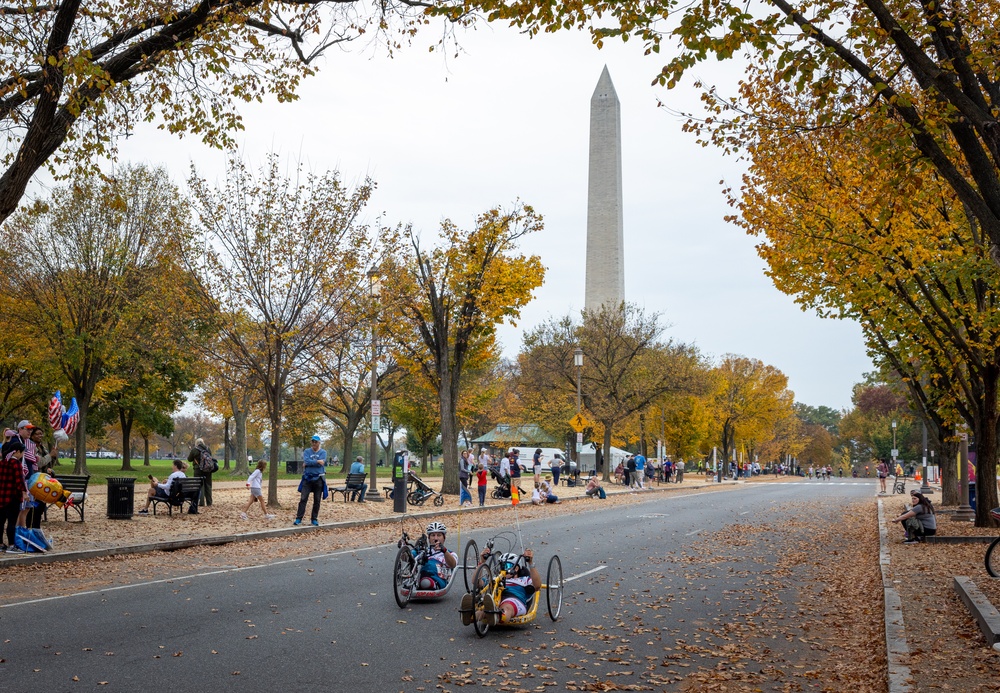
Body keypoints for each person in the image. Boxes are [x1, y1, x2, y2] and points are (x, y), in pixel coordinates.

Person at [462, 548, 542, 627]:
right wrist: (482, 562)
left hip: (514, 599)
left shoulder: (524, 580)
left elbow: (537, 586)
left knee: (507, 606)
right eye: (501, 566)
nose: (503, 569)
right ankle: (469, 616)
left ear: (516, 568)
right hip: (495, 599)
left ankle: (497, 616)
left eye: (507, 566)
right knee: (483, 608)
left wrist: (530, 563)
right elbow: (476, 582)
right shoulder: (495, 579)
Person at [0, 439, 26, 553]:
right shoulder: (16, 463)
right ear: (17, 452)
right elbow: (19, 480)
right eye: (22, 453)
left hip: (1, 496)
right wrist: (24, 493)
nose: (22, 455)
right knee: (11, 522)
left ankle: (0, 544)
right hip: (13, 497)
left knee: (0, 521)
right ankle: (11, 545)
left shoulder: (2, 463)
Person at [294, 440, 329, 526]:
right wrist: (317, 461)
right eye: (313, 442)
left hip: (319, 478)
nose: (314, 444)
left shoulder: (323, 452)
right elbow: (307, 461)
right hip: (307, 478)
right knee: (303, 498)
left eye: (316, 442)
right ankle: (299, 518)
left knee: (317, 500)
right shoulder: (307, 451)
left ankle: (314, 519)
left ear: (319, 443)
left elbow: (321, 463)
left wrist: (310, 462)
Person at [419, 521, 458, 589]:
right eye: (433, 535)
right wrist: (403, 547)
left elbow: (453, 564)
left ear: (444, 537)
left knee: (430, 565)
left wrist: (444, 551)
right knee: (415, 553)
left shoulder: (451, 553)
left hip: (439, 579)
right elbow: (405, 558)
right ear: (429, 538)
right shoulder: (423, 551)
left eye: (439, 535)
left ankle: (432, 583)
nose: (436, 538)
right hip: (419, 575)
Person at [187, 437, 215, 507]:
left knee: (199, 485)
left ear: (196, 443)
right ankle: (209, 502)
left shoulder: (195, 450)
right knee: (208, 485)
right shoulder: (208, 449)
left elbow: (189, 459)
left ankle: (201, 502)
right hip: (208, 469)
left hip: (198, 469)